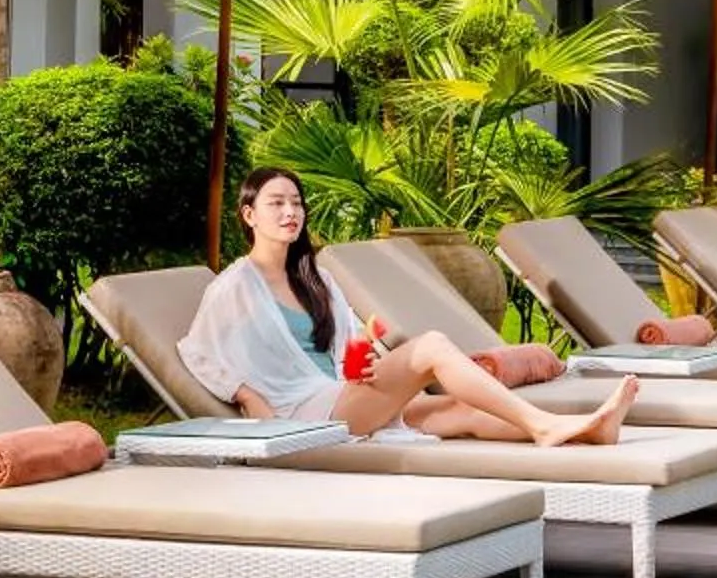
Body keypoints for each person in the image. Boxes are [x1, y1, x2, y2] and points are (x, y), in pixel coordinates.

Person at [180, 166, 638, 448]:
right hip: (303, 415)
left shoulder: (316, 277)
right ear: (248, 215)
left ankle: (583, 429)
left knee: (459, 411)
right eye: (275, 203)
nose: (289, 213)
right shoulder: (234, 286)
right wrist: (253, 405)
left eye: (296, 203)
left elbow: (354, 343)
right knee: (432, 347)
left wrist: (366, 362)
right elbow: (202, 351)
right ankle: (543, 426)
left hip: (340, 395)